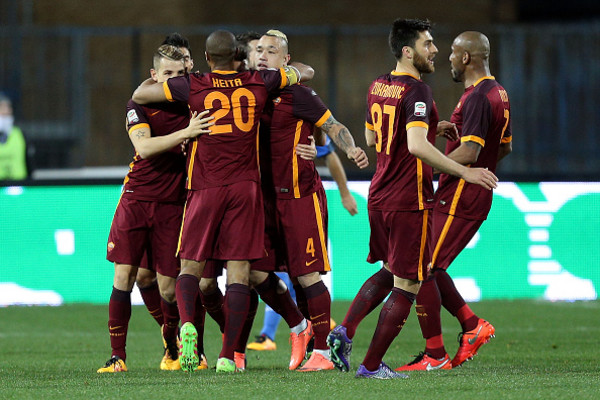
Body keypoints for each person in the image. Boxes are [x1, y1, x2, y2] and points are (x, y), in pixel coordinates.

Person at [132, 29, 315, 373]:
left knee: (190, 266)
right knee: (241, 272)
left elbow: (141, 94)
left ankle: (187, 323)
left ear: (204, 57)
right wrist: (285, 72)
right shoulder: (260, 82)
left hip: (204, 186)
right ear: (237, 56)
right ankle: (229, 356)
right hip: (246, 188)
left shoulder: (194, 85)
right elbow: (304, 73)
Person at [326, 18, 498, 379]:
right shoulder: (418, 91)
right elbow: (416, 145)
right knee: (409, 284)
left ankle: (344, 330)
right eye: (428, 44)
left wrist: (434, 127)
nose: (435, 50)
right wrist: (465, 171)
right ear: (408, 51)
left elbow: (374, 140)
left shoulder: (378, 85)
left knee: (389, 272)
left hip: (379, 193)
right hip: (410, 198)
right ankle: (372, 366)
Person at [248, 29, 368, 372]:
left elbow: (332, 125)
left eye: (270, 51)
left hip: (301, 197)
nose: (262, 55)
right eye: (259, 50)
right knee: (256, 272)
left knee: (307, 276)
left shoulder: (299, 95)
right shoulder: (249, 94)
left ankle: (323, 352)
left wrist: (351, 148)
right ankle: (299, 327)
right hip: (264, 200)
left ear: (286, 61)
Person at [396, 31, 511, 372]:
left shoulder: (477, 97)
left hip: (461, 193)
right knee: (430, 265)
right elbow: (503, 147)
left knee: (424, 267)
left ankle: (437, 353)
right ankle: (471, 326)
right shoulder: (498, 92)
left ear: (465, 58)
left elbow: (471, 151)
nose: (445, 57)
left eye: (452, 52)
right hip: (466, 191)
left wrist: (426, 160)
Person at [97, 45, 214, 373]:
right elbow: (144, 147)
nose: (174, 82)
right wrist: (187, 133)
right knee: (126, 275)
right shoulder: (139, 103)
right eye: (167, 75)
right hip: (136, 197)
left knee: (169, 284)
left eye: (180, 75)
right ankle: (117, 357)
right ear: (154, 76)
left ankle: (184, 348)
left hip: (175, 204)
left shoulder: (194, 104)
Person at [0, 93, 27, 180]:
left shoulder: (18, 133)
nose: (6, 112)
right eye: (1, 108)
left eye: (8, 108)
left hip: (18, 185)